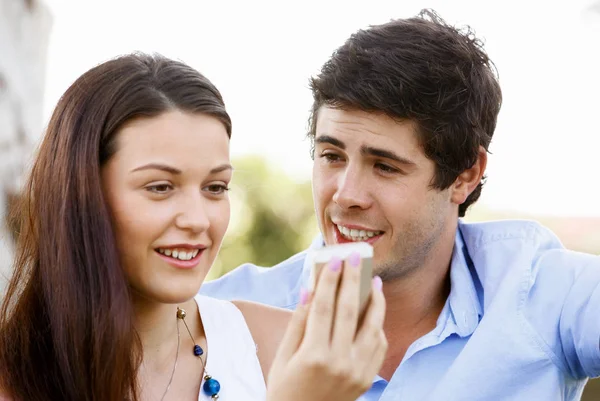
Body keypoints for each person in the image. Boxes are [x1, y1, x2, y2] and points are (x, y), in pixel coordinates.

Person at [201, 9, 600, 401]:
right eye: (331, 156)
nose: (345, 195)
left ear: (464, 175)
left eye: (385, 167)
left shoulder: (539, 290)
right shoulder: (221, 313)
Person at [0, 53, 388, 401]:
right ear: (81, 195)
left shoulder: (285, 347)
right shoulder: (14, 373)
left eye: (215, 188)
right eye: (160, 187)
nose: (198, 219)